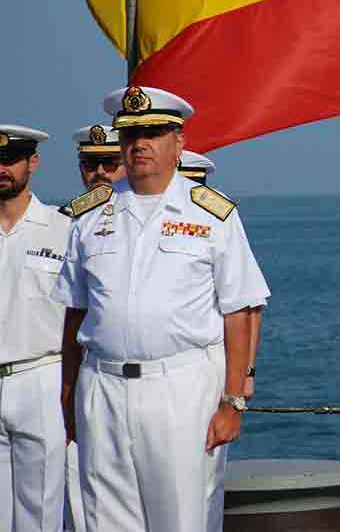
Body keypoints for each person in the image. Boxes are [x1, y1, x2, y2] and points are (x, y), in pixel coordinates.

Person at [53, 86, 271, 532]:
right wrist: (68, 392)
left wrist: (233, 401)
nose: (140, 144)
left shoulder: (213, 216)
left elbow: (238, 312)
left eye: (154, 132)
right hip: (102, 387)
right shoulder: (89, 217)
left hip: (180, 387)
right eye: (131, 135)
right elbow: (75, 314)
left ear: (179, 142)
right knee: (105, 519)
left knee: (181, 518)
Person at [176, 148, 264, 531]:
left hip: (202, 362)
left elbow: (248, 306)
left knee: (202, 487)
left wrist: (243, 378)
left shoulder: (216, 220)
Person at [0, 125, 72, 531]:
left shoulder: (63, 230)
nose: (2, 169)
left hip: (41, 375)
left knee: (41, 512)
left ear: (33, 163)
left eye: (11, 160)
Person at [61, 123, 127, 532]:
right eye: (90, 164)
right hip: (69, 375)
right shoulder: (61, 222)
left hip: (110, 374)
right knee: (74, 499)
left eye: (109, 162)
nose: (99, 173)